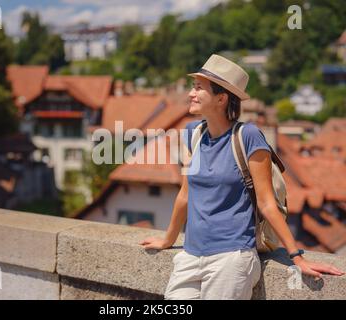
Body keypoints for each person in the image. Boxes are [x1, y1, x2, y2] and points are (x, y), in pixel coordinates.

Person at [139, 54, 344, 300]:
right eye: (193, 87)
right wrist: (167, 239)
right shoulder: (192, 134)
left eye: (199, 88)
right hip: (190, 256)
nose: (191, 94)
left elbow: (267, 203)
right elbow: (185, 193)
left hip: (231, 259)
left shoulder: (248, 136)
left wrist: (297, 257)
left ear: (221, 98)